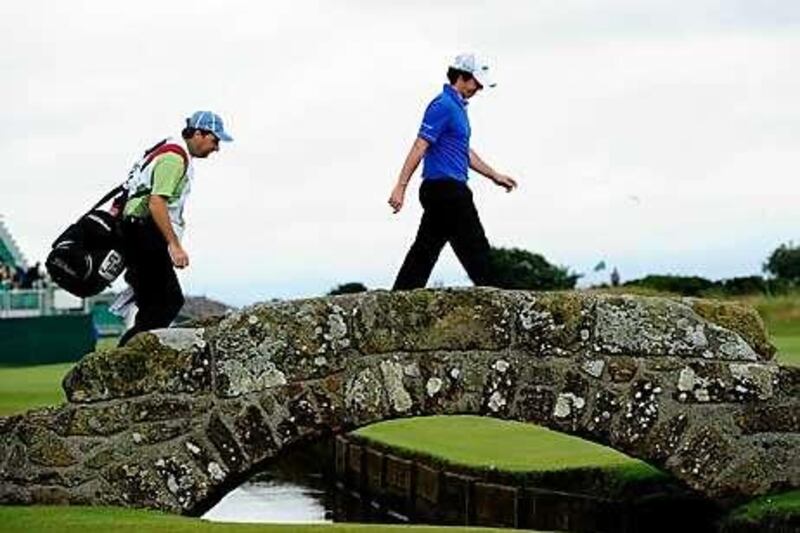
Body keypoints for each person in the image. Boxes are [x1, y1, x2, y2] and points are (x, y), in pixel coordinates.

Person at [388, 53, 518, 290]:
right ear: (461, 77)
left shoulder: (458, 108)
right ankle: (501, 304)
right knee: (475, 248)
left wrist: (494, 176)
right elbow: (420, 145)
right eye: (476, 83)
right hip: (446, 190)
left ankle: (399, 297)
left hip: (445, 189)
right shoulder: (443, 105)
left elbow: (465, 152)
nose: (478, 89)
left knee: (425, 249)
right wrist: (401, 185)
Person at [116, 111, 232, 347]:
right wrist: (175, 245)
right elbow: (156, 202)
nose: (217, 148)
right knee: (167, 303)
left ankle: (125, 363)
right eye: (215, 140)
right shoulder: (174, 158)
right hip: (144, 234)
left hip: (138, 233)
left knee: (156, 306)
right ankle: (123, 364)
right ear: (199, 134)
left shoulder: (167, 149)